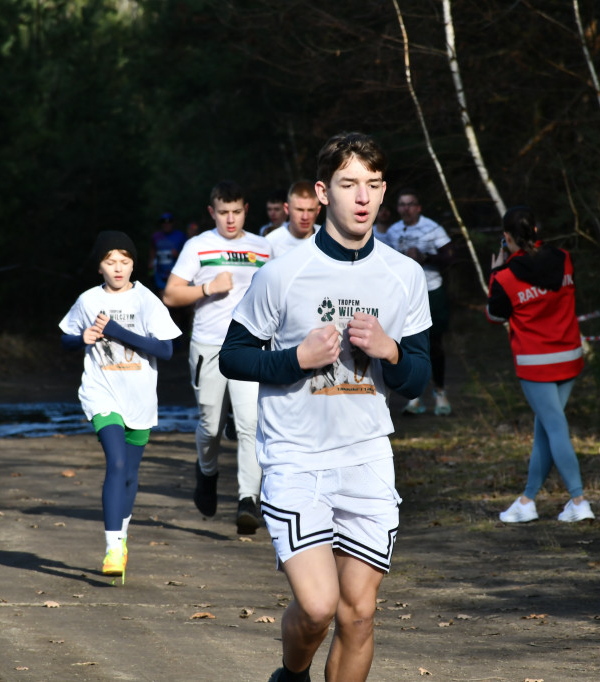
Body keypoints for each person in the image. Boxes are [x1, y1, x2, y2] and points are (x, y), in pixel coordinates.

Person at [220, 132, 431, 682]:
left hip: (366, 458)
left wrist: (390, 351)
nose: (363, 197)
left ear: (384, 193)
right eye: (349, 184)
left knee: (358, 615)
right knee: (317, 609)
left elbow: (418, 378)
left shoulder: (404, 275)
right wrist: (296, 358)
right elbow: (234, 358)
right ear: (322, 192)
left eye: (374, 184)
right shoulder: (282, 273)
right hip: (296, 457)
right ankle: (291, 675)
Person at [58, 231, 182, 582]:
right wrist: (80, 338)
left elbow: (166, 350)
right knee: (116, 462)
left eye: (124, 261)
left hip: (140, 398)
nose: (118, 268)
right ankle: (112, 547)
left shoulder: (146, 301)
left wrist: (116, 331)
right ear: (99, 266)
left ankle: (122, 537)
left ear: (133, 264)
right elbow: (66, 339)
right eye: (110, 262)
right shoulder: (86, 301)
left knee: (129, 474)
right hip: (101, 393)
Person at [162, 181, 271, 534]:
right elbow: (171, 295)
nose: (230, 219)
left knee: (249, 425)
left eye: (236, 212)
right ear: (212, 212)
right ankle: (207, 473)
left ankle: (247, 501)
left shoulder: (264, 247)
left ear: (245, 210)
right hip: (208, 346)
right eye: (223, 212)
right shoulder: (198, 246)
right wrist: (209, 287)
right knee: (210, 426)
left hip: (250, 348)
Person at [486, 206, 594, 524]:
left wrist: (495, 271)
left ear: (506, 238)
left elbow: (495, 315)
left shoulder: (505, 277)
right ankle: (526, 500)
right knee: (546, 429)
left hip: (535, 363)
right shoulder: (564, 258)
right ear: (535, 231)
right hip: (570, 356)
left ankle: (579, 500)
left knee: (554, 428)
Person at [386, 189, 456, 416]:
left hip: (431, 291)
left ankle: (440, 392)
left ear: (419, 207)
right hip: (404, 295)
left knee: (434, 344)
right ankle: (414, 398)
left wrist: (426, 257)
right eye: (402, 204)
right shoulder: (394, 230)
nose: (406, 208)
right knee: (408, 344)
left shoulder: (432, 228)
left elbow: (450, 256)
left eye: (410, 204)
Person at [265, 181, 322, 258]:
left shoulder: (328, 239)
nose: (305, 217)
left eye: (310, 210)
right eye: (299, 210)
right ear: (287, 209)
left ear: (318, 210)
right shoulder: (271, 242)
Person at [149, 212, 188, 294]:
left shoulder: (180, 235)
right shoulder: (156, 236)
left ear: (172, 223)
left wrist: (178, 255)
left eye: (169, 221)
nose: (166, 224)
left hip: (175, 270)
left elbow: (188, 252)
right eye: (163, 222)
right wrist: (151, 261)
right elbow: (153, 248)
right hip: (160, 270)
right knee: (162, 294)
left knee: (176, 294)